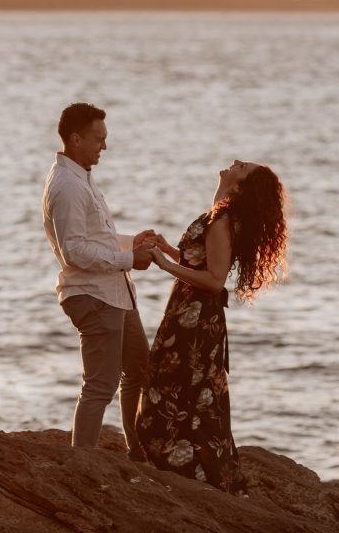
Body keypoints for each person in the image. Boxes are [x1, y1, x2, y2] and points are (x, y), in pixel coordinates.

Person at [135, 159, 288, 496]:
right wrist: (168, 249)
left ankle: (193, 473)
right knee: (183, 392)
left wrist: (163, 265)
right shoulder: (219, 213)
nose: (235, 162)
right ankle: (188, 468)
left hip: (195, 320)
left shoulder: (221, 219)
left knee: (175, 392)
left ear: (241, 186)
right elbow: (200, 261)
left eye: (242, 167)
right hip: (189, 314)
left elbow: (215, 280)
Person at [41, 102, 157, 459]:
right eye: (98, 139)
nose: (103, 147)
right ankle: (83, 464)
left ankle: (136, 449)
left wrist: (130, 244)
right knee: (100, 385)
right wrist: (128, 259)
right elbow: (74, 251)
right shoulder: (68, 186)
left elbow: (94, 239)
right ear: (76, 139)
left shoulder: (81, 177)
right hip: (93, 296)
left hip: (115, 293)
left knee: (139, 369)